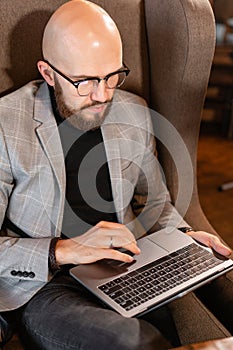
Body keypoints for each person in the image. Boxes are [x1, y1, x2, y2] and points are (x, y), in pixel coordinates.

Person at [0, 0, 232, 349]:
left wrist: (186, 236)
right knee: (132, 341)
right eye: (85, 81)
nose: (103, 95)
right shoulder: (6, 123)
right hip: (48, 284)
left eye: (112, 76)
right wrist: (64, 250)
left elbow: (154, 202)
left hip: (129, 264)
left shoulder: (133, 111)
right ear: (48, 74)